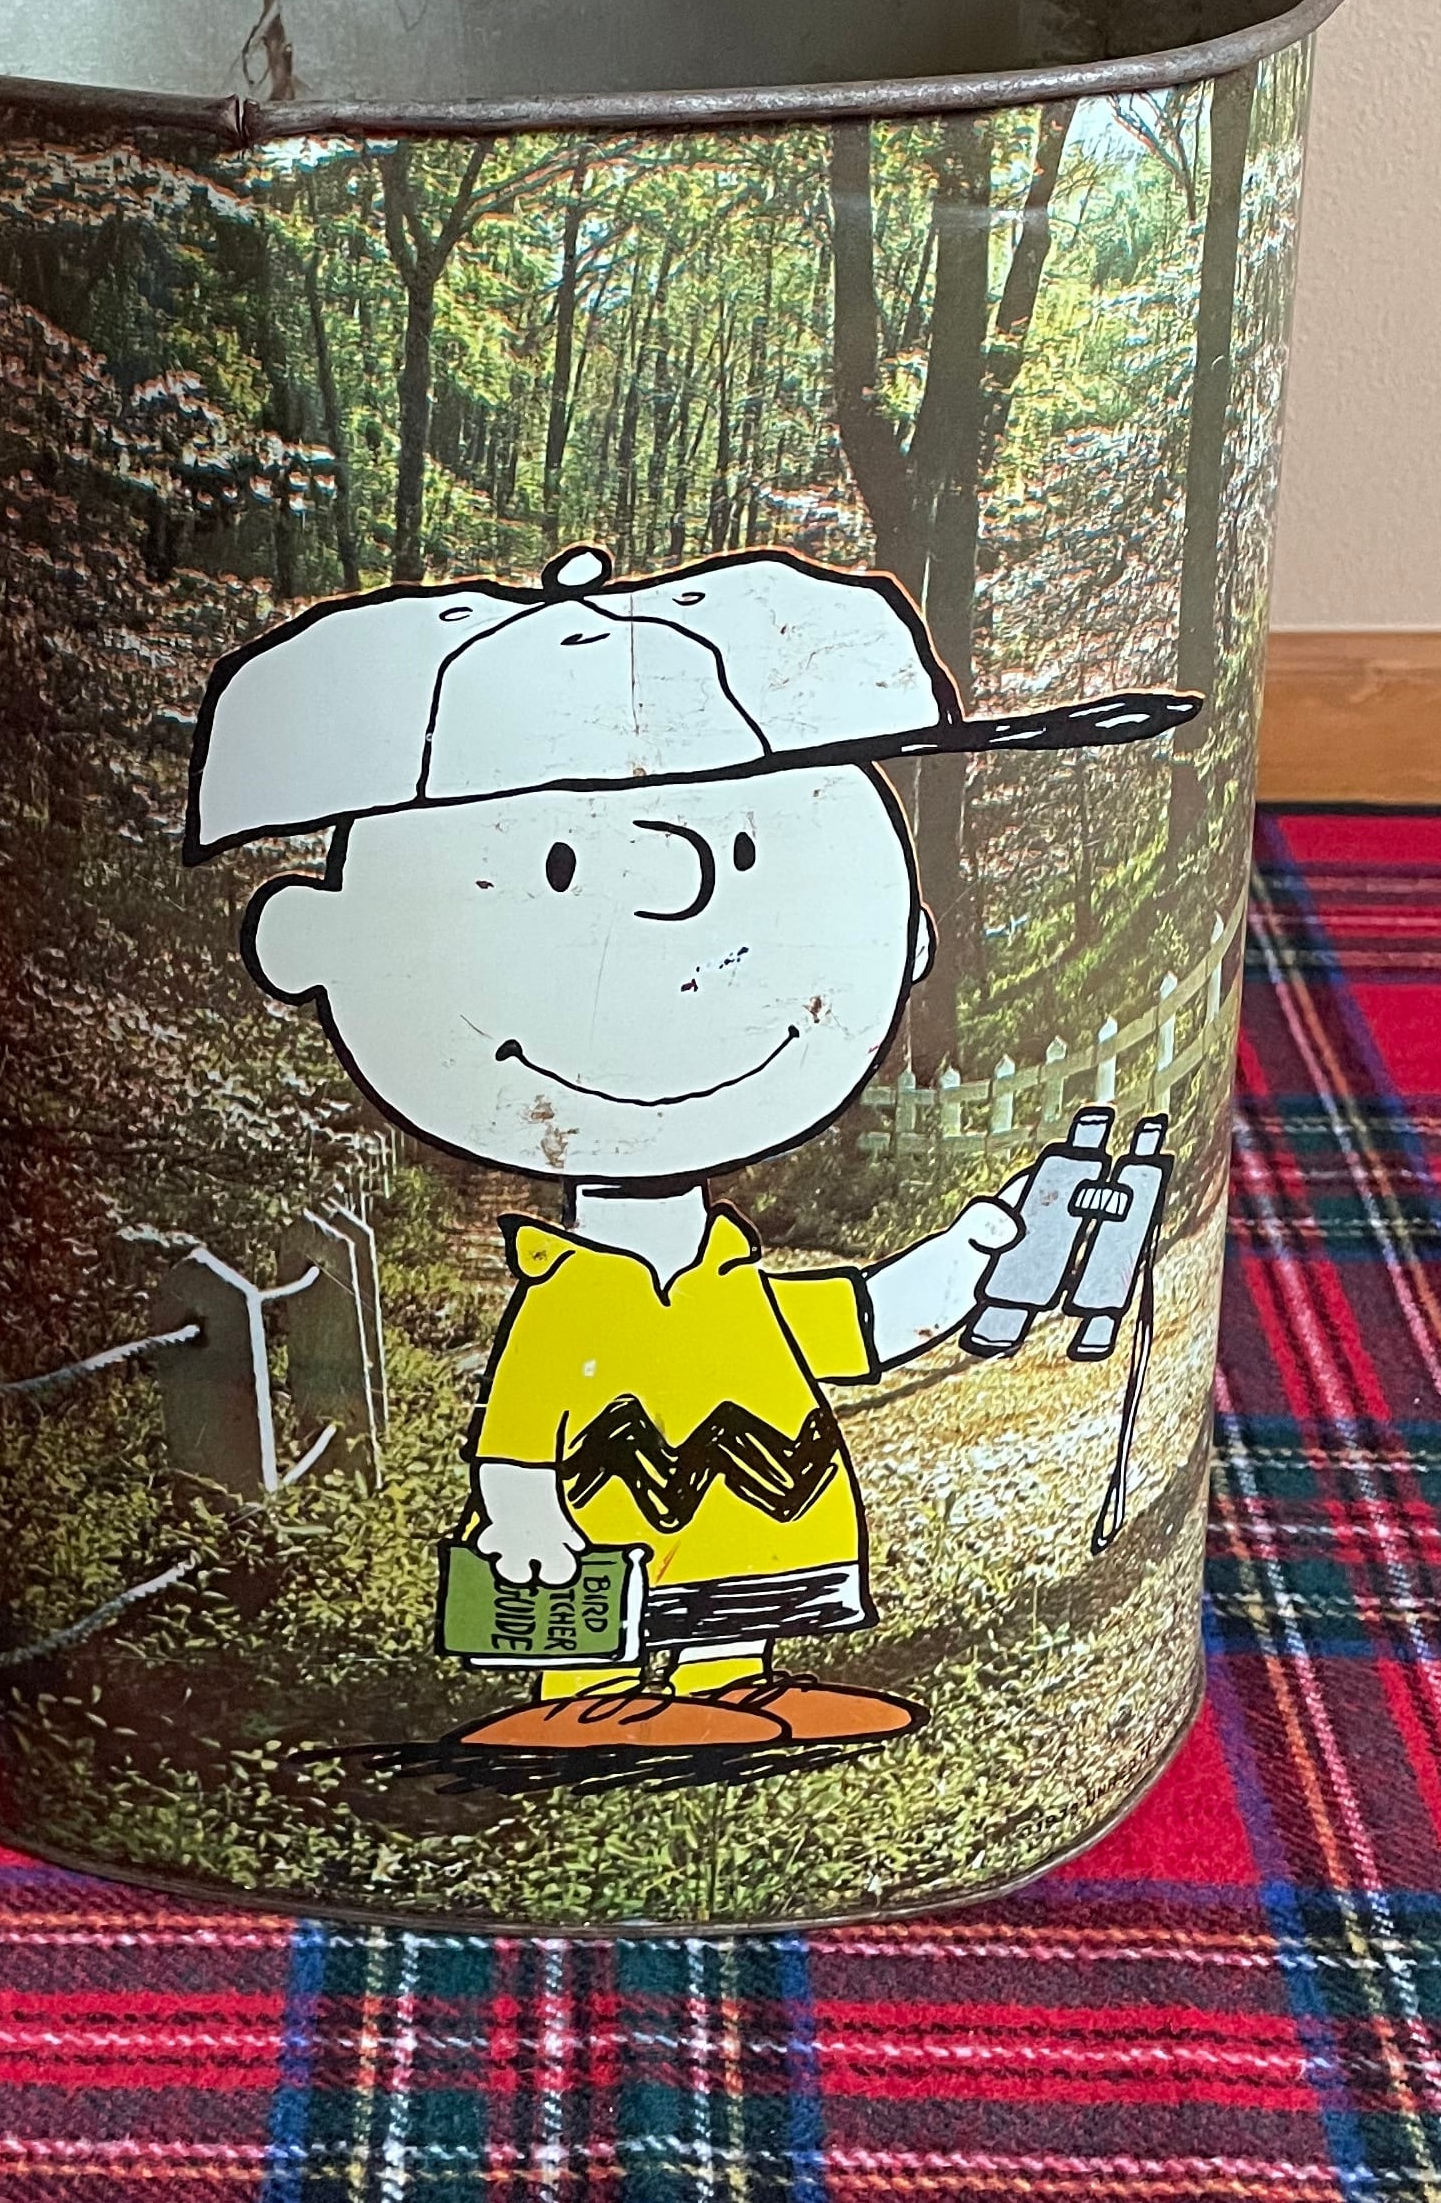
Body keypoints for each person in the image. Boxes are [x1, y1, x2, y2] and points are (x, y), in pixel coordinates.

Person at [184, 544, 1189, 1756]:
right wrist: (520, 1509)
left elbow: (861, 1323)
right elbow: (521, 1429)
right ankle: (588, 1694)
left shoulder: (734, 1283)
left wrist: (971, 1254)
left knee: (744, 1584)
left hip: (764, 1507)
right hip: (610, 1523)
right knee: (593, 1571)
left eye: (743, 859)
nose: (665, 908)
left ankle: (734, 1684)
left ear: (902, 939)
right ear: (318, 943)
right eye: (558, 870)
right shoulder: (570, 1300)